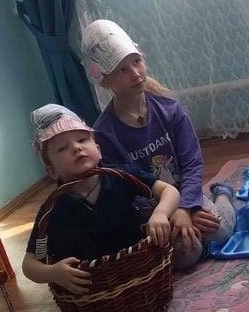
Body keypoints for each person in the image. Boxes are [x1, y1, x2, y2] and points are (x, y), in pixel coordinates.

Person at [82, 19, 237, 269]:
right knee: (185, 254)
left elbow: (192, 163)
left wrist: (188, 207)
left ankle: (222, 193)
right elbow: (123, 190)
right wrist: (167, 213)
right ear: (105, 80)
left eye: (137, 62)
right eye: (122, 70)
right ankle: (199, 240)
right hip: (152, 210)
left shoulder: (171, 110)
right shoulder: (104, 135)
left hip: (186, 195)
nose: (135, 73)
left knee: (221, 231)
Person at [22, 103, 178, 294]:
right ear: (52, 171)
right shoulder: (53, 210)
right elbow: (29, 264)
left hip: (141, 267)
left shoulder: (121, 176)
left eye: (82, 140)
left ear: (98, 149)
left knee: (187, 249)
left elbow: (169, 190)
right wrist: (53, 273)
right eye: (62, 148)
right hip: (98, 288)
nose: (76, 148)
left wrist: (160, 213)